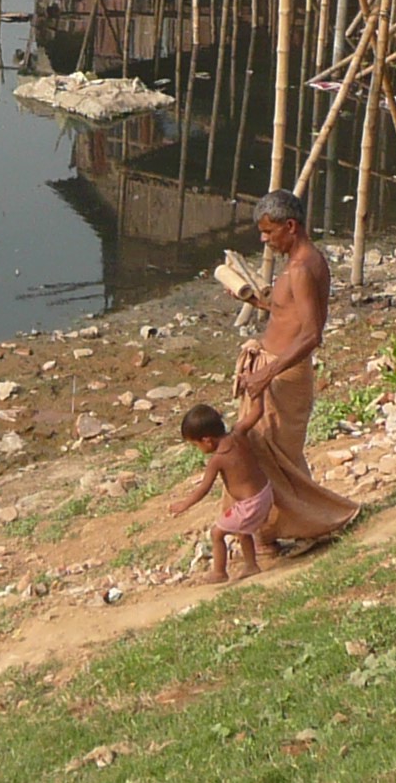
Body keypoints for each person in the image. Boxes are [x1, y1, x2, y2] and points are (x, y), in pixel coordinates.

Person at [231, 188, 362, 545]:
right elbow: (287, 312)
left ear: (290, 226)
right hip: (273, 369)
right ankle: (287, 530)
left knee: (268, 460)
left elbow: (310, 334)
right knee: (272, 457)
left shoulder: (303, 268)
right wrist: (258, 301)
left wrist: (265, 373)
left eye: (268, 232)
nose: (264, 239)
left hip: (282, 375)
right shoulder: (300, 261)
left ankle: (292, 531)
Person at [164, 403, 272, 582]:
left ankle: (220, 573)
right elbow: (258, 411)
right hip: (265, 494)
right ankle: (251, 565)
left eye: (195, 444)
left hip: (250, 504)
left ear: (207, 440)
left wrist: (184, 505)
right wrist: (257, 392)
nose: (198, 449)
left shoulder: (218, 459)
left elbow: (203, 488)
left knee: (216, 533)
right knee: (243, 531)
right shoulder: (238, 433)